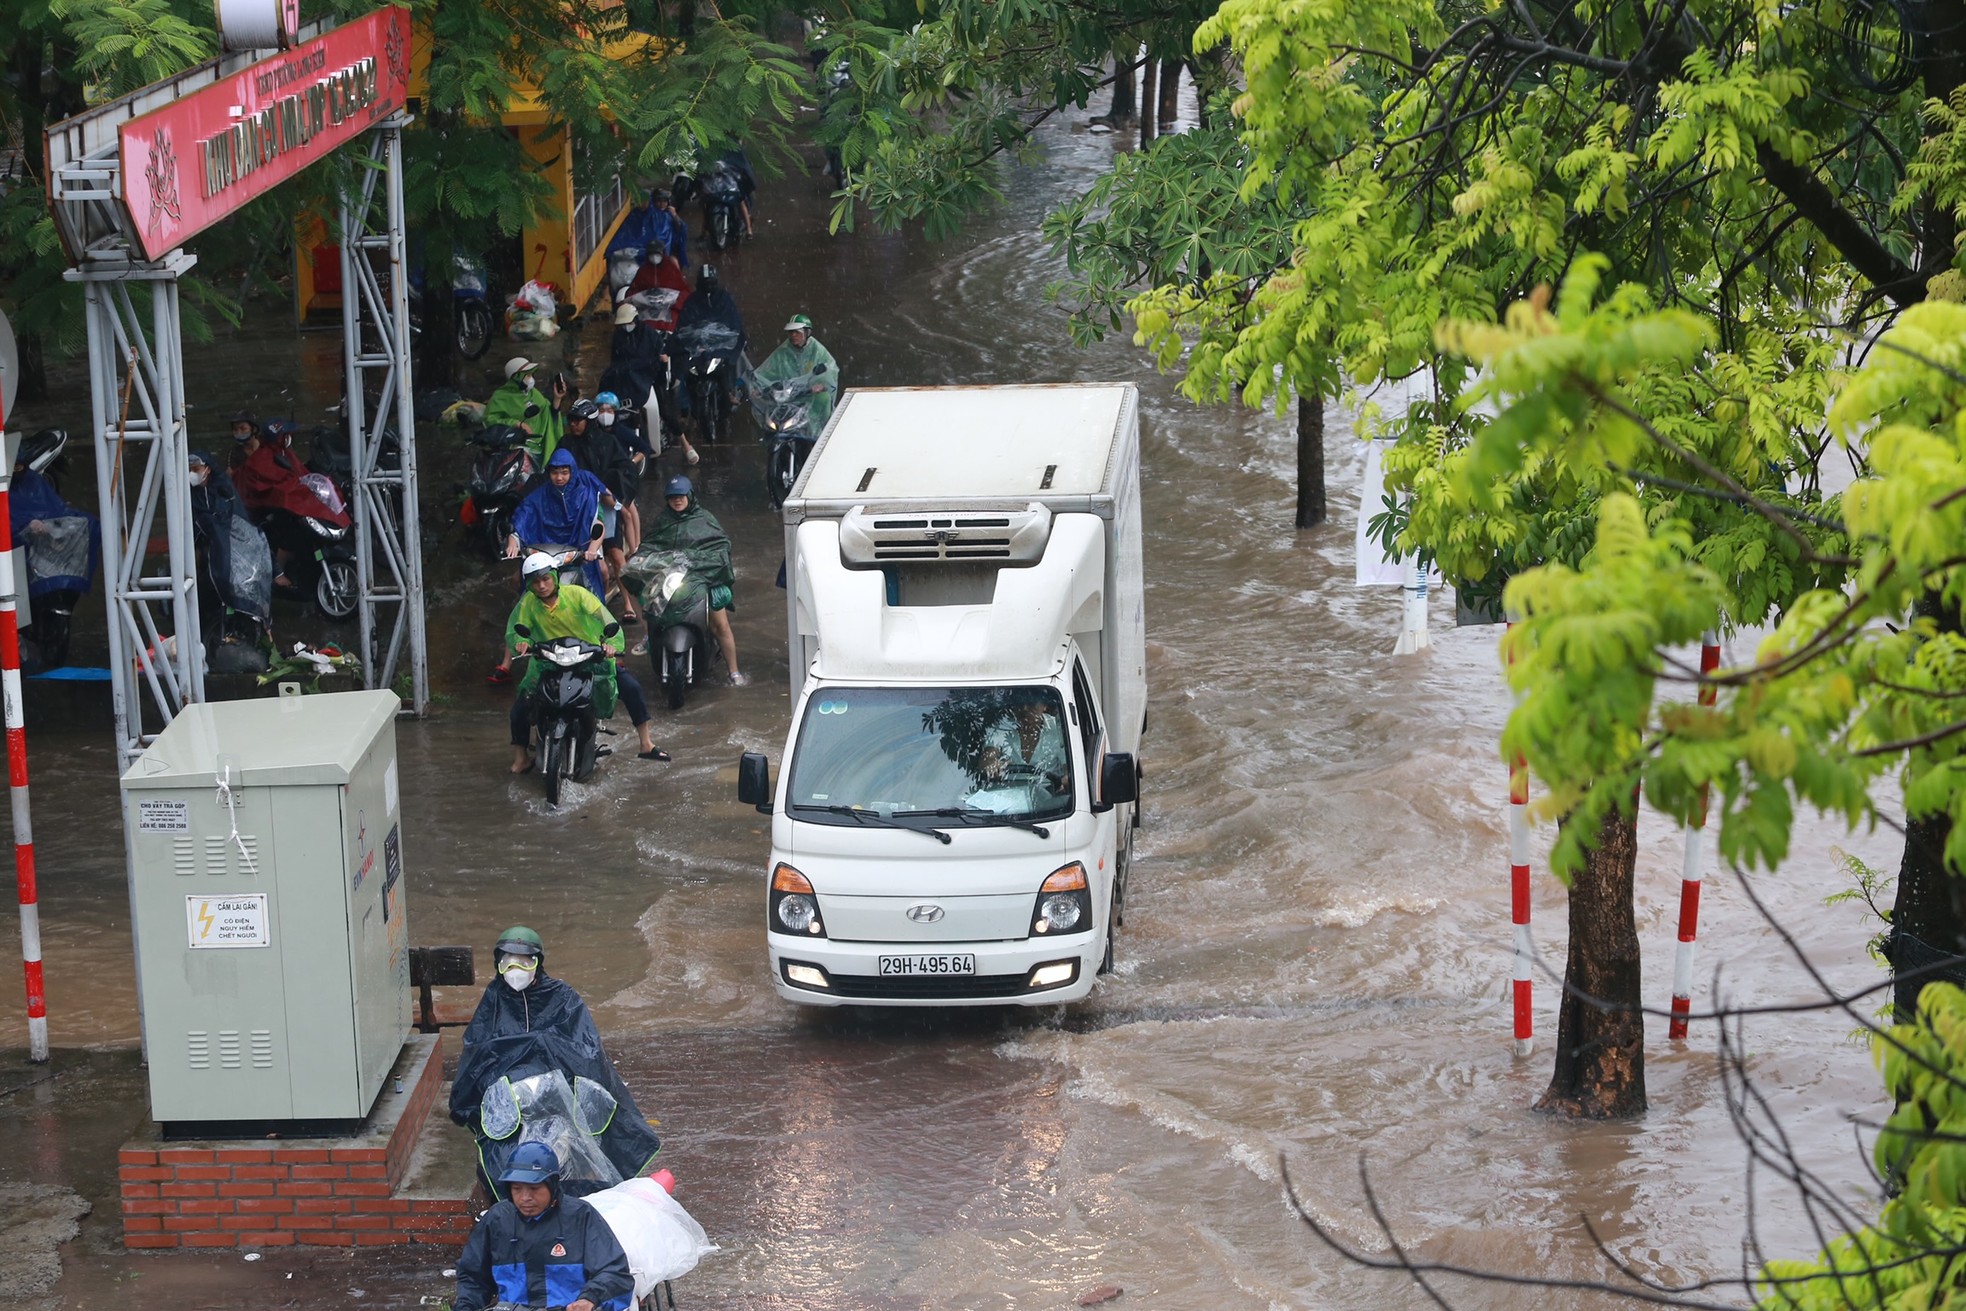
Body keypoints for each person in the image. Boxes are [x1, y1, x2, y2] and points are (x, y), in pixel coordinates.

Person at [504, 556, 667, 767]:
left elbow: (606, 619)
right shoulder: (527, 603)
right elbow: (515, 630)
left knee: (631, 687)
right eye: (535, 582)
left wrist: (610, 644)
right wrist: (521, 642)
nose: (542, 586)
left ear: (554, 576)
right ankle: (521, 757)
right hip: (548, 662)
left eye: (546, 579)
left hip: (589, 658)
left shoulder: (577, 594)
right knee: (520, 706)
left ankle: (646, 743)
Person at [451, 1141, 635, 1311]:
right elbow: (473, 1278)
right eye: (517, 1189)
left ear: (552, 1185)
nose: (525, 1198)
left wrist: (589, 1299)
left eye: (534, 1188)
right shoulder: (497, 1220)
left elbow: (615, 1273)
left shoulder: (581, 1216)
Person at [644, 475, 746, 685]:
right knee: (649, 603)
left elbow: (721, 546)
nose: (677, 500)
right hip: (671, 580)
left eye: (681, 495)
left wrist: (696, 561)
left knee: (720, 625)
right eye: (672, 497)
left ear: (690, 495)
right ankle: (648, 638)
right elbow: (649, 546)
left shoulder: (704, 519)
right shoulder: (662, 521)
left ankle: (734, 671)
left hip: (703, 579)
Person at [233, 417, 350, 587]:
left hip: (280, 505)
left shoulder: (284, 452)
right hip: (259, 509)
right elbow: (272, 486)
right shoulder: (261, 459)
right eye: (285, 435)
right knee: (289, 531)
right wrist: (293, 494)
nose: (289, 437)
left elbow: (300, 476)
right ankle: (278, 571)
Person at [558, 401, 639, 624]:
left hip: (604, 505)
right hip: (575, 509)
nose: (573, 424)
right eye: (570, 420)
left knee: (616, 557)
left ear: (589, 421)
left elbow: (625, 469)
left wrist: (610, 490)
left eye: (578, 420)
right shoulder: (565, 444)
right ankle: (597, 606)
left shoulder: (608, 442)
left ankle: (628, 604)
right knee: (592, 564)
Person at [507, 448, 609, 598]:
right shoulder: (539, 495)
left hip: (581, 550)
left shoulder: (587, 495)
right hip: (547, 553)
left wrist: (592, 549)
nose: (559, 478)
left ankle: (601, 609)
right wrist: (513, 541)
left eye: (564, 473)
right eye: (555, 473)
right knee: (520, 580)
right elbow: (522, 517)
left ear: (572, 472)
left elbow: (598, 524)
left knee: (602, 573)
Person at [670, 264, 747, 427]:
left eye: (711, 282)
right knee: (681, 370)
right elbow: (685, 324)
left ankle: (731, 390)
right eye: (705, 282)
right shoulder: (692, 301)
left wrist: (724, 334)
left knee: (735, 359)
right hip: (698, 348)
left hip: (721, 346)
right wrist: (695, 335)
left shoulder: (724, 298)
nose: (708, 286)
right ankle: (684, 406)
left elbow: (733, 322)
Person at [751, 313, 840, 434]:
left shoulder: (817, 350)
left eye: (797, 332)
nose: (793, 335)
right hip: (788, 396)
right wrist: (757, 388)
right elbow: (765, 371)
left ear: (807, 332)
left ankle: (824, 435)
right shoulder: (783, 351)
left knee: (824, 399)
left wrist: (822, 385)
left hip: (809, 394)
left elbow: (831, 369)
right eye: (791, 332)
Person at [485, 356, 568, 464]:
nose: (531, 378)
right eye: (527, 375)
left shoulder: (534, 393)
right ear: (516, 377)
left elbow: (547, 413)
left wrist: (557, 399)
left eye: (531, 375)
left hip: (541, 445)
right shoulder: (501, 397)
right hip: (516, 448)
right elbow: (490, 420)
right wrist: (516, 423)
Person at [606, 185, 688, 265]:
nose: (662, 204)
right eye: (659, 201)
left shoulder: (666, 216)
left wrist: (675, 216)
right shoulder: (634, 215)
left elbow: (681, 229)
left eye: (664, 201)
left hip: (658, 254)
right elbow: (627, 234)